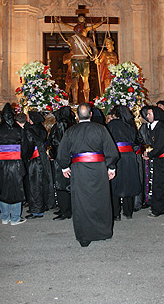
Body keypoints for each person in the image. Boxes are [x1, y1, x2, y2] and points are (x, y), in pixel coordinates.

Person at [54, 103, 120, 247]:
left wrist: (65, 167)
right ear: (91, 115)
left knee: (81, 202)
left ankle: (84, 236)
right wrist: (111, 167)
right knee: (101, 200)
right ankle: (103, 233)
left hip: (79, 170)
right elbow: (111, 150)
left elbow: (62, 153)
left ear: (77, 116)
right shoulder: (101, 129)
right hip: (99, 170)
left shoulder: (70, 131)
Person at [0, 103, 27, 225]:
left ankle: (5, 217)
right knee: (16, 190)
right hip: (15, 164)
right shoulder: (18, 130)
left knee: (2, 189)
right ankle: (15, 217)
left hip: (0, 164)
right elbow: (25, 148)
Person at [142, 105, 164, 218]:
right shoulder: (154, 126)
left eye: (149, 114)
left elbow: (160, 146)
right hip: (161, 158)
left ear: (156, 115)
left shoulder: (160, 127)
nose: (147, 116)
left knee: (159, 184)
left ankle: (158, 209)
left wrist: (149, 154)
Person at [107, 105, 141, 220]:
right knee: (128, 183)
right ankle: (128, 211)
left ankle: (116, 213)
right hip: (130, 157)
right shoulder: (131, 125)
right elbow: (137, 141)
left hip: (117, 157)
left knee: (115, 184)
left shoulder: (113, 124)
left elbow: (108, 141)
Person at [22, 111, 56, 219]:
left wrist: (26, 157)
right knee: (43, 182)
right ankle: (44, 204)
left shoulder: (30, 130)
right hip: (42, 158)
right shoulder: (41, 128)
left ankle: (37, 210)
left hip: (35, 159)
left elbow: (28, 146)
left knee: (34, 185)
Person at [48, 106, 75, 220]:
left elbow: (58, 143)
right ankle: (66, 209)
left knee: (61, 185)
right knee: (67, 184)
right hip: (70, 158)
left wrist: (52, 153)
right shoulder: (72, 124)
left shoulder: (61, 124)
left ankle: (65, 211)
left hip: (61, 158)